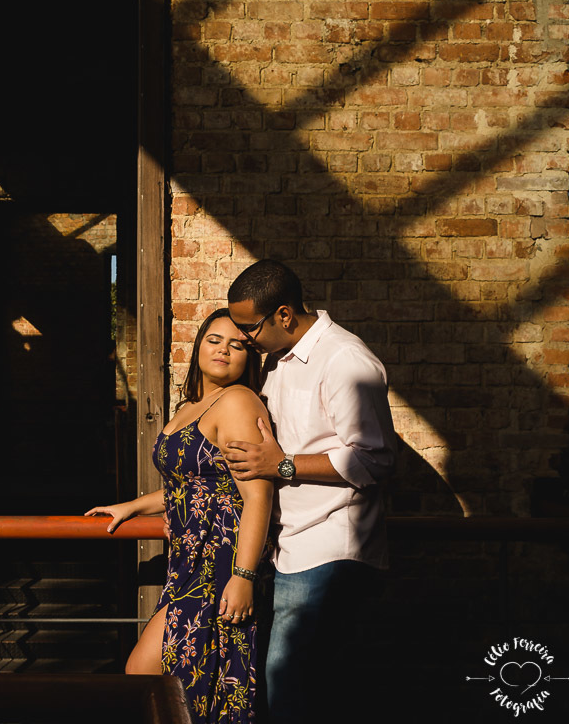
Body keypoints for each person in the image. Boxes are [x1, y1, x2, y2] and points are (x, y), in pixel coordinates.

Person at [222, 260, 396, 724]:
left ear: (283, 315)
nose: (243, 337)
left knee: (286, 683)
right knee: (300, 687)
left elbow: (376, 459)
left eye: (248, 327)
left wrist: (281, 464)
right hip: (289, 549)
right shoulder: (278, 359)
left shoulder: (345, 361)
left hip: (329, 549)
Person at [86, 308, 273, 723]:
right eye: (214, 340)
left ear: (248, 357)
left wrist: (243, 577)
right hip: (188, 562)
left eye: (237, 345)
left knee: (151, 672)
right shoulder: (193, 405)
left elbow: (258, 495)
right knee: (180, 678)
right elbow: (191, 486)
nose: (224, 350)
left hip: (221, 561)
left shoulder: (238, 401)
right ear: (199, 346)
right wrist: (133, 506)